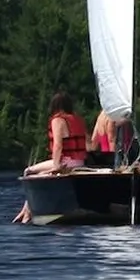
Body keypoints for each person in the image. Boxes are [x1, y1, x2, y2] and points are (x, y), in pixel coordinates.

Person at [13, 91, 91, 223]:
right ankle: (26, 211)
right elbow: (89, 144)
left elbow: (58, 145)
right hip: (79, 162)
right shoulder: (78, 119)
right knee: (40, 173)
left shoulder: (58, 120)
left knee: (28, 171)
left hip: (66, 161)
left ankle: (27, 212)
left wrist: (56, 165)